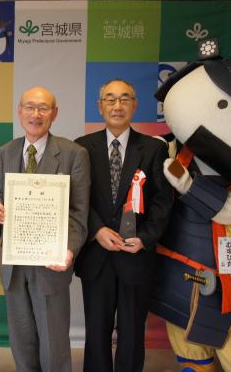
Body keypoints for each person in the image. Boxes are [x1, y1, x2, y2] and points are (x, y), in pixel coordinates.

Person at [74, 79, 173, 372]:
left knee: (132, 333)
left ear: (135, 105)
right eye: (110, 99)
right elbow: (77, 198)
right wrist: (96, 230)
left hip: (136, 255)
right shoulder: (81, 148)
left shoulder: (154, 149)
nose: (117, 106)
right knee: (97, 332)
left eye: (124, 99)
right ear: (100, 106)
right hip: (97, 255)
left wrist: (144, 238)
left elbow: (162, 202)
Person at [0, 86, 90, 372]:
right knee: (22, 342)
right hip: (14, 261)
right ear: (19, 111)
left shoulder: (73, 154)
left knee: (53, 343)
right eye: (30, 107)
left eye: (43, 108)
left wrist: (69, 249)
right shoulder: (5, 152)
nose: (36, 114)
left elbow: (79, 211)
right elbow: (0, 192)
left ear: (54, 114)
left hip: (51, 262)